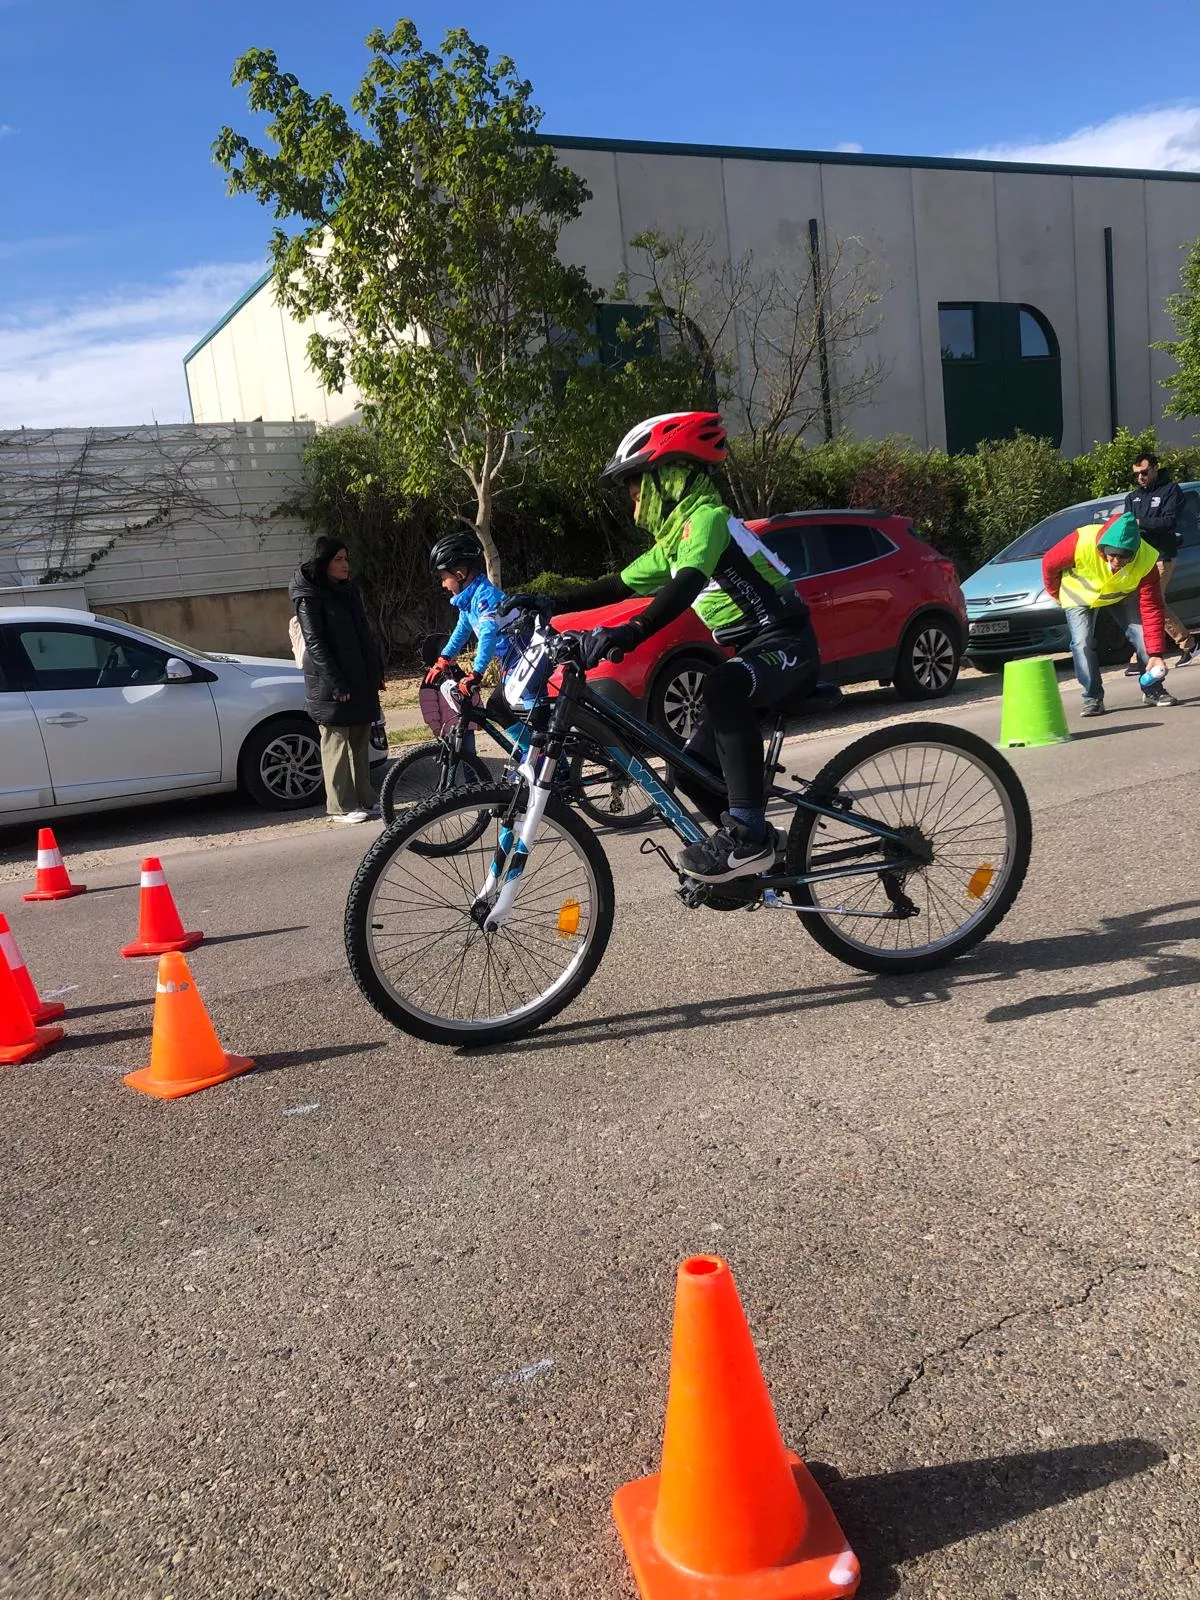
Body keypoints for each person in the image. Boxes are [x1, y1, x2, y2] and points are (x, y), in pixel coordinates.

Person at [519, 410, 819, 883]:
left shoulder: (707, 518)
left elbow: (684, 587)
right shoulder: (677, 538)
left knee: (721, 688)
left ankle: (747, 834)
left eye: (637, 484)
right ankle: (759, 850)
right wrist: (550, 600)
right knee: (689, 767)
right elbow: (617, 584)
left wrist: (631, 632)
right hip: (754, 651)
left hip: (787, 642)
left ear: (669, 476)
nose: (633, 499)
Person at [289, 536, 384, 823]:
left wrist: (375, 672)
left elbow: (364, 635)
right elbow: (316, 643)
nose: (345, 565)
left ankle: (365, 800)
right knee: (336, 742)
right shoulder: (308, 596)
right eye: (338, 560)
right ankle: (340, 806)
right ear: (324, 563)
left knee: (359, 739)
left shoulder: (349, 590)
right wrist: (336, 683)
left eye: (346, 559)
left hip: (359, 677)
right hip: (330, 682)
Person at [1041, 510, 1172, 716]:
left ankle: (1153, 689)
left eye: (1124, 557)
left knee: (1142, 635)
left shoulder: (1146, 561)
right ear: (1103, 546)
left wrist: (1156, 653)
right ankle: (1092, 698)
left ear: (1135, 551)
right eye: (1112, 554)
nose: (1117, 561)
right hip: (1078, 595)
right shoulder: (1080, 542)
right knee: (1082, 643)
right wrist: (1054, 592)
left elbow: (1152, 608)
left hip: (1119, 593)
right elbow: (1049, 563)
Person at [1123, 452, 1198, 669]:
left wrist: (1140, 522)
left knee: (1152, 602)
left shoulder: (1170, 491)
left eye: (1144, 473)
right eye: (1136, 474)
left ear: (1155, 468)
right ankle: (1183, 646)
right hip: (1140, 558)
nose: (1140, 478)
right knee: (1145, 604)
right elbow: (1129, 525)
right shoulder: (1132, 497)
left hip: (1161, 555)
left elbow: (1168, 521)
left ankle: (1182, 645)